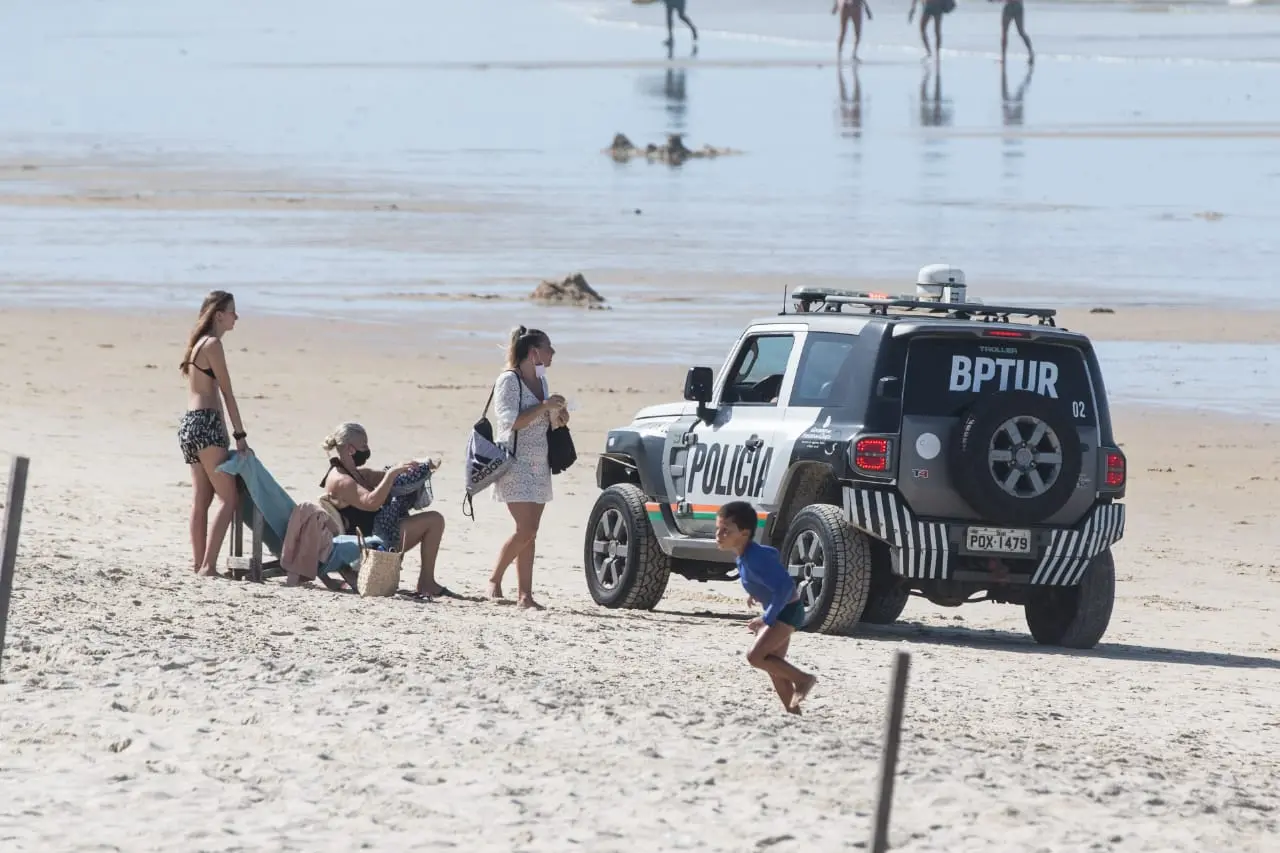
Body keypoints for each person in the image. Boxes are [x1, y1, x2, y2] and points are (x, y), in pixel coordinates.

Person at [320, 422, 458, 600]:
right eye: (363, 446)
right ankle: (427, 582)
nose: (367, 450)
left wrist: (411, 468)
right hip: (368, 544)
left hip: (375, 532)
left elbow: (381, 477)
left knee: (433, 518)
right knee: (434, 521)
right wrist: (391, 475)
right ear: (349, 449)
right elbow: (370, 503)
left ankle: (427, 580)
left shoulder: (355, 472)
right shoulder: (341, 479)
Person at [487, 326, 568, 610]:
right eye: (549, 347)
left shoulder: (542, 381)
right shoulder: (509, 381)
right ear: (534, 352)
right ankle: (495, 578)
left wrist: (558, 415)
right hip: (514, 461)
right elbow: (510, 422)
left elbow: (543, 421)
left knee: (531, 532)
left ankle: (525, 595)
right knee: (526, 528)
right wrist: (544, 406)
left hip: (539, 462)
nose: (552, 352)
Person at [716, 501, 818, 714]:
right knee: (774, 666)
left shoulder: (754, 557)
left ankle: (804, 679)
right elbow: (771, 556)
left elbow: (784, 586)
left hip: (787, 611)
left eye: (726, 530)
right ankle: (794, 714)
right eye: (718, 529)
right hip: (781, 610)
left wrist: (766, 619)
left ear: (744, 533)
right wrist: (757, 591)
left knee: (755, 657)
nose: (719, 534)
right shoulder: (745, 556)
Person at [179, 290, 252, 578]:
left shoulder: (197, 345)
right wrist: (240, 434)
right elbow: (227, 392)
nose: (237, 316)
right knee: (229, 498)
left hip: (189, 425)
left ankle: (199, 565)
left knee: (202, 499)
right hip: (208, 424)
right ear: (219, 315)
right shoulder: (213, 345)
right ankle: (208, 566)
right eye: (233, 311)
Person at [991, 0, 1034, 65]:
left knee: (1005, 32)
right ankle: (1031, 54)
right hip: (1018, 6)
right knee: (1021, 32)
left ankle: (1003, 58)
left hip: (1011, 7)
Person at [833, 0, 872, 65]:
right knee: (857, 33)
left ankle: (839, 55)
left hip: (845, 5)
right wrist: (867, 9)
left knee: (843, 32)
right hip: (855, 5)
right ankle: (853, 54)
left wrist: (836, 6)